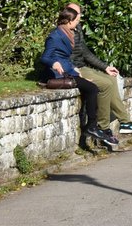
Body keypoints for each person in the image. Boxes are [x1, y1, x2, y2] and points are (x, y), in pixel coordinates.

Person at [66, 3, 132, 136]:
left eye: (78, 15)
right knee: (106, 84)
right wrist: (75, 71)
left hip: (82, 66)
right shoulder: (62, 33)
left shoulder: (77, 28)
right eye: (75, 15)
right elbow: (59, 57)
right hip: (74, 69)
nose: (78, 18)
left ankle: (125, 122)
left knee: (112, 78)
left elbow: (85, 53)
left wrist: (105, 67)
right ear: (68, 17)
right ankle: (103, 127)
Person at [41, 8, 118, 148]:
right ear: (69, 21)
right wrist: (54, 63)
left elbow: (66, 58)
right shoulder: (55, 36)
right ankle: (92, 126)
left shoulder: (67, 33)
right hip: (58, 74)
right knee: (92, 88)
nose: (78, 24)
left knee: (92, 86)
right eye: (76, 21)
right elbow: (45, 57)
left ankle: (93, 125)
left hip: (69, 71)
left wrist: (77, 72)